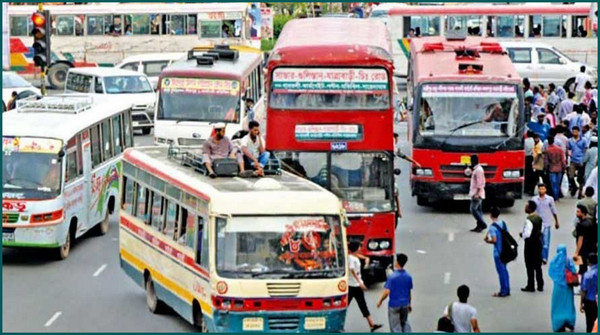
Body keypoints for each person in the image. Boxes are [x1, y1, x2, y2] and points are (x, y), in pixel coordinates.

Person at [348, 242, 382, 333]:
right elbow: (352, 270)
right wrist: (360, 282)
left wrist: (366, 258)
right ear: (356, 248)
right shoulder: (351, 259)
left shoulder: (353, 256)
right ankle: (371, 324)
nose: (360, 248)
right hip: (353, 285)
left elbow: (358, 256)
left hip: (356, 285)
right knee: (349, 305)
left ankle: (372, 325)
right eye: (359, 247)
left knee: (362, 305)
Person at [377, 253, 412, 333]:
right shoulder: (408, 276)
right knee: (405, 323)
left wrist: (380, 301)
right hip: (405, 304)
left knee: (395, 327)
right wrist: (409, 304)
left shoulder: (392, 277)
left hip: (394, 305)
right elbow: (409, 291)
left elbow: (387, 292)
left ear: (397, 262)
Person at [549, 244, 577, 332]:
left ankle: (558, 323)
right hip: (568, 288)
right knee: (568, 304)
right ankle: (569, 321)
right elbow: (574, 270)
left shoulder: (554, 261)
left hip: (558, 288)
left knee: (557, 305)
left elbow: (551, 272)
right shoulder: (568, 260)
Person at [484, 207, 510, 297]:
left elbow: (494, 240)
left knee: (501, 272)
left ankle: (503, 291)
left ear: (490, 215)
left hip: (498, 253)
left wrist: (488, 241)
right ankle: (507, 289)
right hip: (506, 251)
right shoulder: (503, 223)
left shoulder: (492, 227)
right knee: (505, 271)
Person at [532, 183, 559, 265]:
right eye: (540, 189)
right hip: (537, 224)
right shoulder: (534, 199)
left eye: (543, 189)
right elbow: (531, 211)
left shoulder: (550, 199)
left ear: (545, 190)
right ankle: (538, 257)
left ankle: (544, 258)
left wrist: (556, 221)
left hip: (546, 223)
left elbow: (554, 211)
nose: (541, 191)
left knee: (546, 243)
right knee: (538, 242)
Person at [520, 200, 544, 292]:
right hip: (538, 243)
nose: (525, 208)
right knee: (538, 265)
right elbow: (542, 229)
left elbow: (527, 234)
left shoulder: (529, 220)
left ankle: (531, 285)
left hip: (530, 244)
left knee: (529, 265)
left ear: (529, 208)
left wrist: (522, 235)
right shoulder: (539, 218)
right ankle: (540, 284)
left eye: (526, 206)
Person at [574, 205, 597, 275]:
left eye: (578, 212)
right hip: (591, 248)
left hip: (583, 250)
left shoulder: (581, 225)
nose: (576, 213)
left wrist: (576, 252)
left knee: (582, 269)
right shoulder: (590, 223)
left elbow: (580, 239)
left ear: (583, 213)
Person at [567, 126, 588, 197]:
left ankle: (580, 192)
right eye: (573, 132)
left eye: (576, 131)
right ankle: (574, 187)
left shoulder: (583, 140)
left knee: (580, 178)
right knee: (571, 176)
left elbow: (585, 149)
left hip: (581, 160)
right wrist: (569, 153)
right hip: (573, 160)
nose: (574, 133)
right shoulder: (570, 140)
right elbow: (568, 149)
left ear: (579, 132)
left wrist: (584, 158)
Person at [580, 253, 598, 333]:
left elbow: (583, 290)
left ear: (588, 262)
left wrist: (581, 303)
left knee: (590, 323)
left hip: (590, 301)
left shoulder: (587, 275)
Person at [545, 136, 567, 200]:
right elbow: (563, 160)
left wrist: (545, 168)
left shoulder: (548, 150)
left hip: (552, 169)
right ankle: (557, 196)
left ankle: (555, 196)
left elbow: (546, 161)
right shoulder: (559, 149)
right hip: (559, 168)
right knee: (558, 183)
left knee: (553, 184)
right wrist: (564, 167)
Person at [469, 155, 487, 232]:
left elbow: (480, 183)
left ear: (472, 161)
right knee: (479, 210)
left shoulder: (478, 170)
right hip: (477, 192)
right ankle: (479, 226)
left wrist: (477, 194)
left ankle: (483, 224)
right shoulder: (477, 169)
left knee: (473, 209)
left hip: (477, 194)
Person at [524, 130, 536, 195]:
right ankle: (529, 188)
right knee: (530, 173)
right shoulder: (534, 141)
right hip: (531, 157)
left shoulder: (525, 141)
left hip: (526, 157)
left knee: (526, 173)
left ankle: (526, 188)